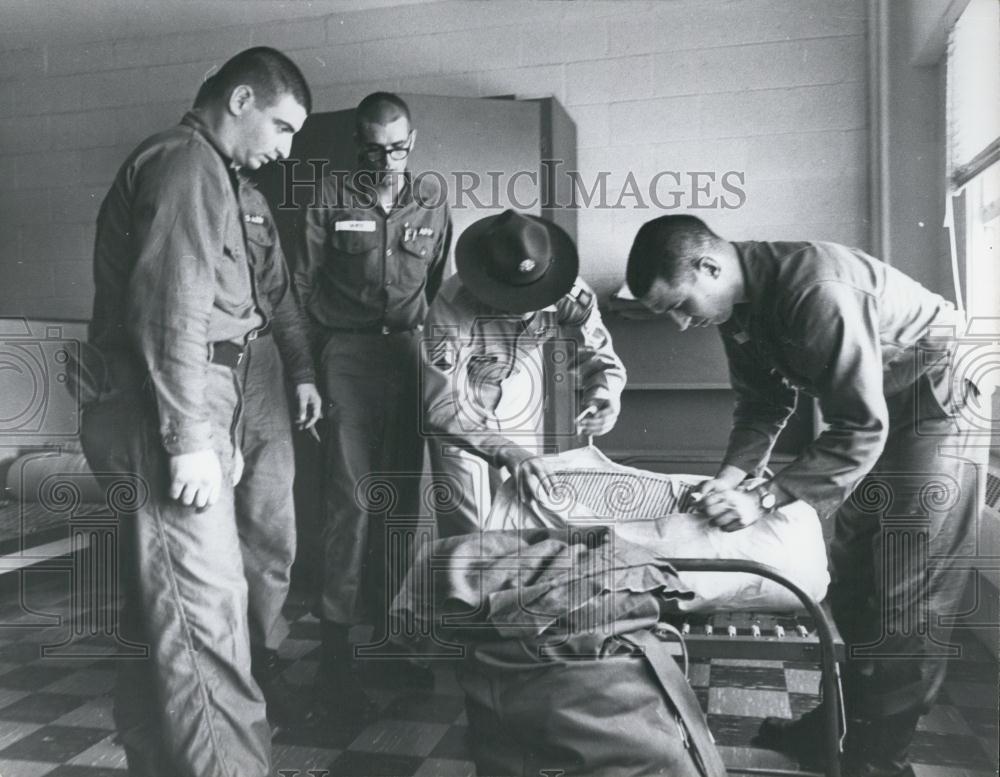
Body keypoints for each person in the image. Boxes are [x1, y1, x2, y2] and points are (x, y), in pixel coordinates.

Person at [625, 215, 988, 777]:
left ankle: (877, 760)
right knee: (853, 570)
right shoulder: (733, 304)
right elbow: (763, 405)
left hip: (937, 400)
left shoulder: (816, 289)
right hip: (879, 408)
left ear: (709, 266)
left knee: (907, 587)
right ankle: (836, 727)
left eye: (679, 305)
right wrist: (730, 478)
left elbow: (860, 428)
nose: (680, 322)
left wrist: (764, 498)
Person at [80, 47, 310, 777]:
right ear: (240, 100)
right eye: (281, 127)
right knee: (208, 627)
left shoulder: (211, 170)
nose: (285, 150)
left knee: (165, 619)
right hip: (168, 409)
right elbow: (172, 307)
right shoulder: (186, 163)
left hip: (195, 396)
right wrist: (189, 438)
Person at [295, 92, 452, 717]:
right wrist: (309, 369)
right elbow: (301, 287)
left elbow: (435, 283)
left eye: (398, 148)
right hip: (347, 358)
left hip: (407, 358)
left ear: (413, 142)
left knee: (401, 506)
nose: (386, 161)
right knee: (350, 504)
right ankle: (334, 658)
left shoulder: (432, 199)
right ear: (356, 145)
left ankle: (390, 641)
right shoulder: (328, 196)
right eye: (373, 149)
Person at [422, 209, 627, 537]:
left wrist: (603, 392)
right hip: (463, 400)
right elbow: (440, 406)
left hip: (516, 388)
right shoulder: (451, 304)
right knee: (471, 524)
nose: (525, 307)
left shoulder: (569, 292)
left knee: (523, 510)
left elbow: (596, 355)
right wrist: (505, 450)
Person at [234, 180, 322, 727]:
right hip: (200, 366)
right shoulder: (177, 180)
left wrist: (303, 373)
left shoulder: (253, 200)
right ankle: (210, 666)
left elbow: (281, 294)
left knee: (271, 525)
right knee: (201, 530)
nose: (281, 149)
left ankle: (262, 657)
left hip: (263, 365)